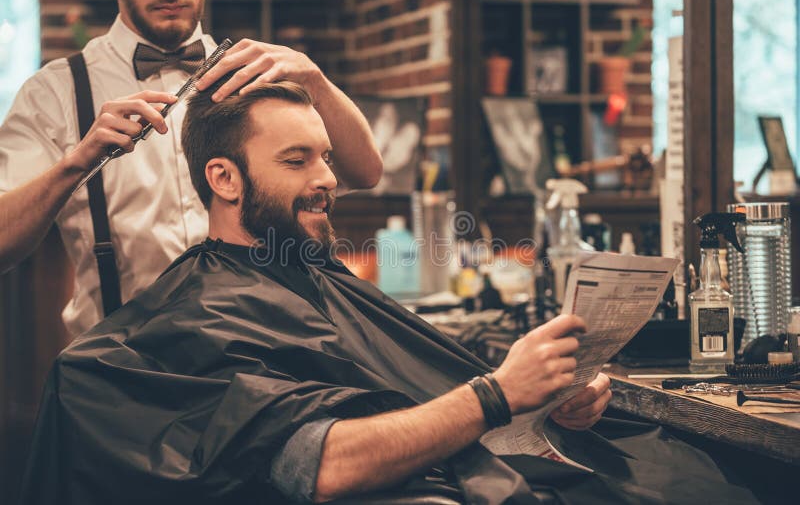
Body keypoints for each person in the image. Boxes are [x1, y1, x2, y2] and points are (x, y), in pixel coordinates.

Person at [20, 78, 757, 505]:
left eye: (326, 158)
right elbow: (321, 461)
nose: (329, 179)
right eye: (298, 159)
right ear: (224, 177)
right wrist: (500, 394)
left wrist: (544, 397)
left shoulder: (312, 275)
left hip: (498, 457)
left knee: (703, 473)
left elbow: (402, 379)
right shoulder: (207, 315)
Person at [0, 0, 381, 335]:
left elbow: (365, 173)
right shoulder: (56, 92)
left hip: (264, 355)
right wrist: (76, 164)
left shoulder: (256, 74)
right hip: (124, 372)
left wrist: (317, 81)